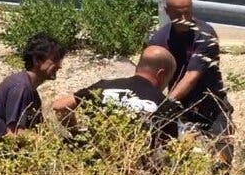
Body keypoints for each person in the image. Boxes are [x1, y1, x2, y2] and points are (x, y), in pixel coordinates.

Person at [147, 0, 232, 158]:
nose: (184, 19)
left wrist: (165, 105)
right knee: (180, 157)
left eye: (188, 12)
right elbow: (151, 76)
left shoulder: (205, 35)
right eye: (178, 14)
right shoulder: (159, 40)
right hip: (181, 108)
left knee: (222, 157)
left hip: (211, 105)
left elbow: (192, 76)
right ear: (167, 11)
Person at [52, 45, 181, 146]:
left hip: (94, 164)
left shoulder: (103, 86)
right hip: (133, 171)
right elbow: (168, 151)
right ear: (161, 74)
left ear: (139, 66)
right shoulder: (166, 107)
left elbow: (60, 106)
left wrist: (76, 132)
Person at [0, 33, 66, 139]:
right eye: (55, 59)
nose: (59, 66)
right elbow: (14, 133)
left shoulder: (30, 90)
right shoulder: (20, 88)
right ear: (37, 60)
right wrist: (48, 141)